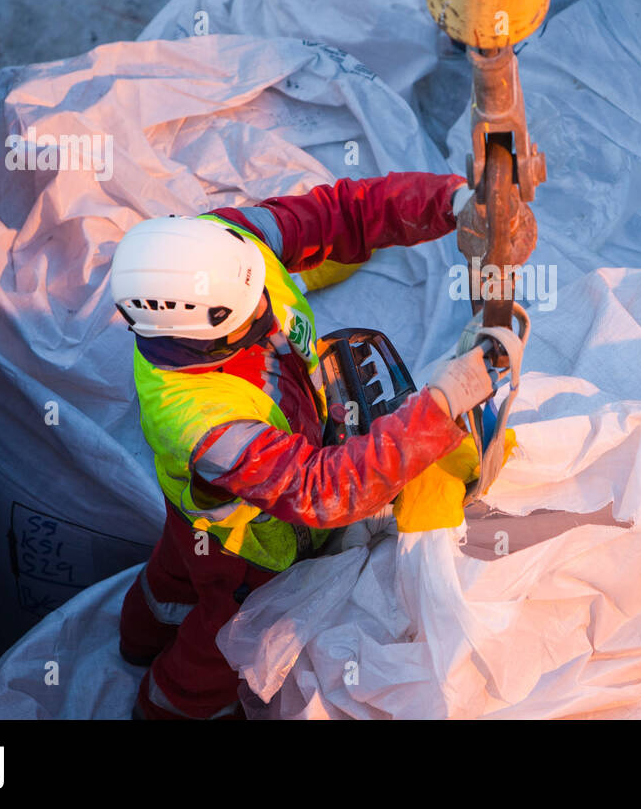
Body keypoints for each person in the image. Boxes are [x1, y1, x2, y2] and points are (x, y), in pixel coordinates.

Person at [109, 171, 496, 719]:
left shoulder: (229, 244)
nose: (268, 306)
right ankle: (162, 709)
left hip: (193, 516)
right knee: (224, 644)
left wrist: (452, 202)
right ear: (204, 331)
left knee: (172, 577)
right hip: (248, 548)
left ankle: (136, 638)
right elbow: (322, 493)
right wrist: (436, 410)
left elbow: (341, 213)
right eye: (252, 315)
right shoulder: (199, 416)